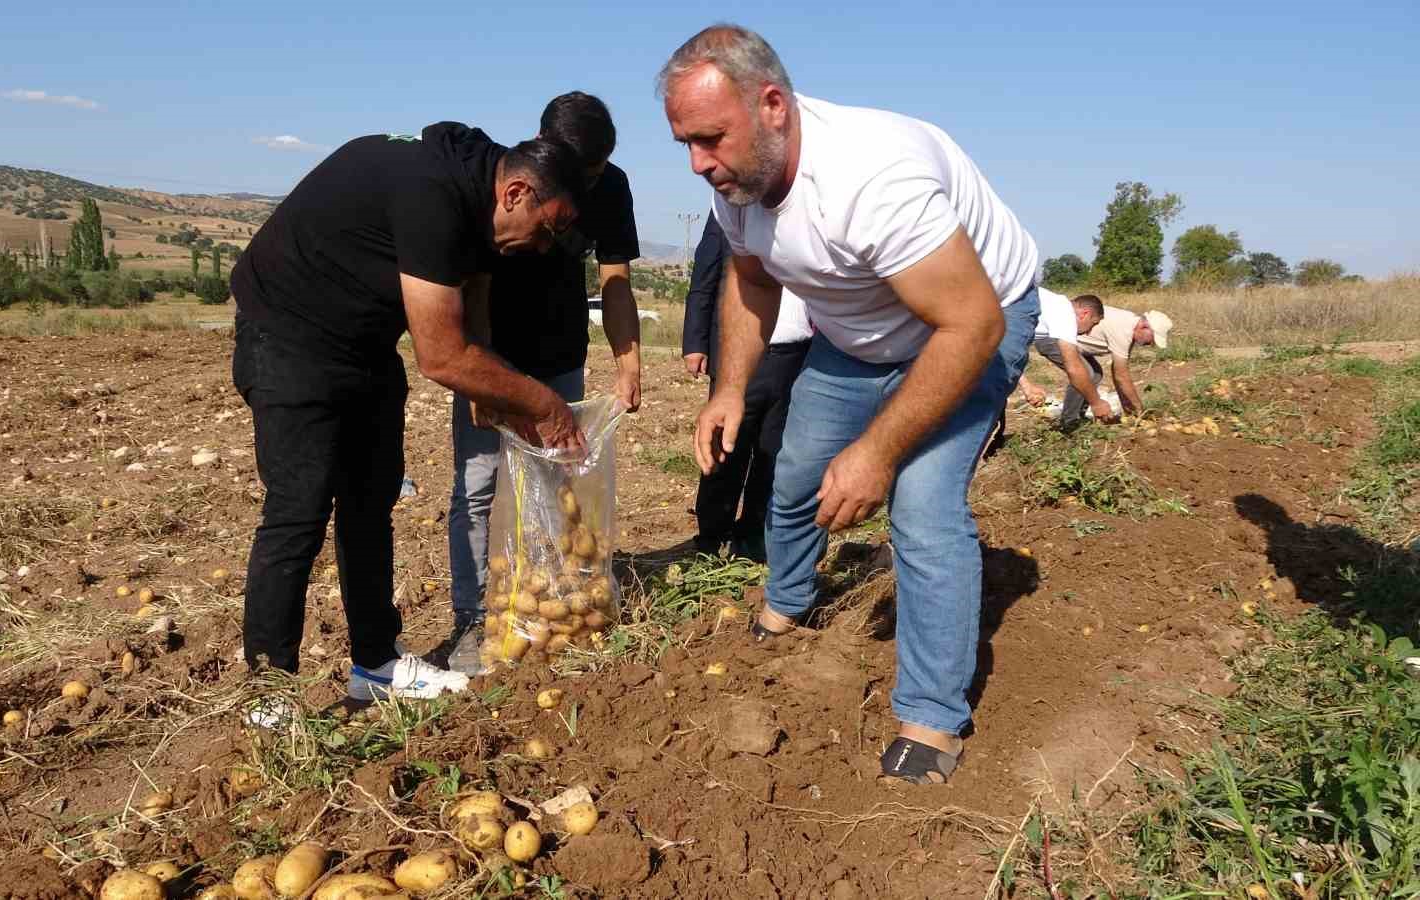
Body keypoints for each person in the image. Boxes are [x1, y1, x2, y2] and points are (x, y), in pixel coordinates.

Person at [659, 24, 1040, 784]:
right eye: (686, 145)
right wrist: (731, 387)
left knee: (921, 502)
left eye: (711, 139)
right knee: (798, 467)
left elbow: (971, 322)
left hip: (970, 321)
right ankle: (790, 598)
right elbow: (753, 282)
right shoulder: (740, 183)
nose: (700, 163)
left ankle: (931, 715)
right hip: (857, 333)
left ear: (773, 105)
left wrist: (879, 451)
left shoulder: (872, 179)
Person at [230, 122, 589, 711]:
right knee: (299, 510)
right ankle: (268, 698)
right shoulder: (435, 195)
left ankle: (376, 663)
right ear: (518, 194)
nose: (545, 247)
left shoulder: (480, 193)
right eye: (548, 230)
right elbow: (441, 355)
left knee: (370, 502)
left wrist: (490, 382)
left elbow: (471, 287)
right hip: (288, 334)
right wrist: (541, 403)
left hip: (362, 344)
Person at [443, 93, 643, 676]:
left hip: (561, 354)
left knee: (561, 483)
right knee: (479, 484)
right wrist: (482, 377)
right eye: (583, 172)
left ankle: (552, 603)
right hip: (494, 356)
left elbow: (616, 278)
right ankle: (473, 617)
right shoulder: (515, 179)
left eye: (600, 170)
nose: (591, 183)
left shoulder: (610, 187)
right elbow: (475, 284)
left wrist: (628, 361)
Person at [681, 212, 811, 562]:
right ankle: (711, 536)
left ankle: (752, 537)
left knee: (774, 450)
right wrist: (695, 342)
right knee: (727, 446)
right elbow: (705, 274)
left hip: (796, 353)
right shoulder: (731, 208)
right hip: (739, 356)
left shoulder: (811, 208)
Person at [1018, 304, 1172, 422]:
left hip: (1071, 343)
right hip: (1052, 339)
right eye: (1152, 338)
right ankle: (1069, 421)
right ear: (1144, 326)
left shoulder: (1130, 326)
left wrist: (1129, 411)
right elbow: (1122, 377)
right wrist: (1139, 410)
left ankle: (1079, 413)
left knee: (1096, 374)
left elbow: (1118, 374)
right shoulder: (1123, 330)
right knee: (1086, 374)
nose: (1151, 344)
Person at [1014, 290, 1112, 428]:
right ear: (1085, 314)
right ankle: (1069, 423)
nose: (1090, 331)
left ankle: (1075, 418)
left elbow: (1004, 350)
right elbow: (1074, 368)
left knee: (1093, 373)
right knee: (1085, 373)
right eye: (1093, 324)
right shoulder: (1065, 313)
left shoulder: (1052, 304)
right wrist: (1097, 403)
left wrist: (1025, 385)